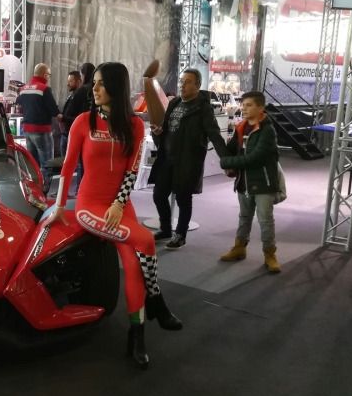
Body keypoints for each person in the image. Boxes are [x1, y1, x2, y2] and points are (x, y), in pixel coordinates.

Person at [50, 62, 182, 370]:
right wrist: (59, 207)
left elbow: (132, 171)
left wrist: (120, 204)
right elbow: (67, 167)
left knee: (134, 266)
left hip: (120, 206)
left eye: (100, 83)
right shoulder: (83, 121)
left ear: (116, 87)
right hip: (90, 206)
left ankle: (137, 336)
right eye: (94, 83)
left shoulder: (134, 125)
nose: (94, 89)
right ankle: (157, 301)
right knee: (145, 239)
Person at [145, 66, 227, 249]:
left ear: (197, 85)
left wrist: (226, 159)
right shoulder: (174, 103)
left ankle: (180, 235)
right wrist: (158, 133)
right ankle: (165, 229)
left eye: (188, 82)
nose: (182, 85)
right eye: (181, 81)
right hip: (167, 159)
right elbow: (167, 129)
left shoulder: (203, 108)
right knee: (158, 195)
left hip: (188, 161)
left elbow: (214, 134)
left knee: (183, 199)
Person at [218, 91, 282, 273]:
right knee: (244, 217)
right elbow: (231, 149)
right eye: (243, 105)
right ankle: (239, 248)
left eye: (249, 105)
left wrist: (227, 163)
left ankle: (270, 254)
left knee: (265, 220)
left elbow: (256, 158)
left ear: (260, 108)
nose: (244, 108)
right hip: (244, 181)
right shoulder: (241, 127)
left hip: (263, 183)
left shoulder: (267, 130)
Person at [16, 63, 60, 186]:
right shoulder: (44, 89)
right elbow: (54, 111)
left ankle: (34, 188)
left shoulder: (23, 89)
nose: (49, 78)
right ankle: (45, 189)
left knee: (33, 163)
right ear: (45, 75)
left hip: (27, 131)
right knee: (47, 163)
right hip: (42, 131)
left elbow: (19, 105)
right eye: (49, 75)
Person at [63, 62, 95, 188]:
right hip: (95, 130)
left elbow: (71, 112)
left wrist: (63, 118)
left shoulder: (82, 91)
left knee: (79, 162)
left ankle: (80, 189)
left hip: (80, 130)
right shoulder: (95, 89)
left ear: (83, 75)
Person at [58, 70, 82, 156]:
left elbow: (80, 119)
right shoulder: (71, 96)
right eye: (68, 81)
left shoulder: (80, 98)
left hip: (73, 136)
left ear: (78, 82)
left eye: (71, 81)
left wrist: (63, 118)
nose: (68, 84)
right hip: (65, 134)